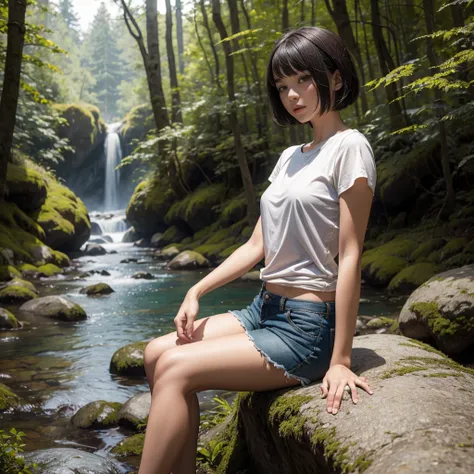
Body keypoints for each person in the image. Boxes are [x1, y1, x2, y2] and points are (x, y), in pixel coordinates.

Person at [138, 26, 376, 474]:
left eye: (302, 79)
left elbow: (350, 256)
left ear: (336, 78)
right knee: (155, 353)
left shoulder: (351, 148)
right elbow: (257, 244)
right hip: (262, 310)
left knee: (175, 368)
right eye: (283, 86)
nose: (292, 95)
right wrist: (197, 291)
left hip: (306, 328)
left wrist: (341, 360)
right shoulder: (290, 157)